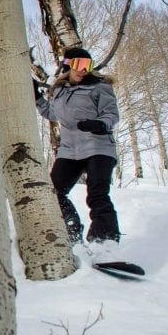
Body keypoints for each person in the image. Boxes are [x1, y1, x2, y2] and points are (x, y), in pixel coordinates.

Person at [33, 47, 121, 245]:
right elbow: (52, 114)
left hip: (98, 146)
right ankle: (71, 229)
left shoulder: (100, 87)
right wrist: (37, 98)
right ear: (68, 65)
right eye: (79, 65)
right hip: (70, 150)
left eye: (87, 65)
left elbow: (111, 113)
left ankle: (105, 242)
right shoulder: (60, 90)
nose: (83, 70)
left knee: (97, 194)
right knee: (53, 192)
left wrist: (100, 124)